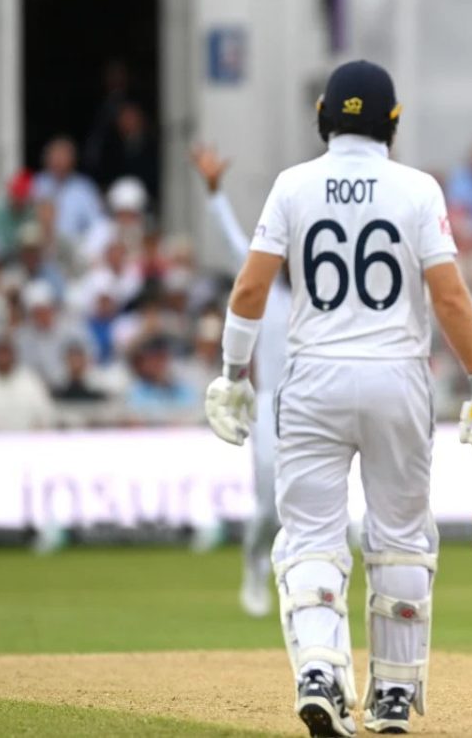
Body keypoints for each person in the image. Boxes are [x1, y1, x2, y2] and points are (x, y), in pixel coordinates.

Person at [203, 60, 472, 736]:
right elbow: (449, 294)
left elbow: (250, 291)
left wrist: (232, 372)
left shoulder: (292, 185)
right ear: (391, 123)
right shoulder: (416, 188)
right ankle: (394, 694)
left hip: (312, 379)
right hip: (396, 375)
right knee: (401, 536)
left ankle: (319, 668)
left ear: (323, 116)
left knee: (310, 535)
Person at [191, 143, 293, 618]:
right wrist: (214, 190)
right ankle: (255, 562)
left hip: (319, 402)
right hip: (270, 403)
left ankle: (305, 582)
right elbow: (236, 242)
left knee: (320, 506)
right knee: (269, 504)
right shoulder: (267, 287)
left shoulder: (327, 291)